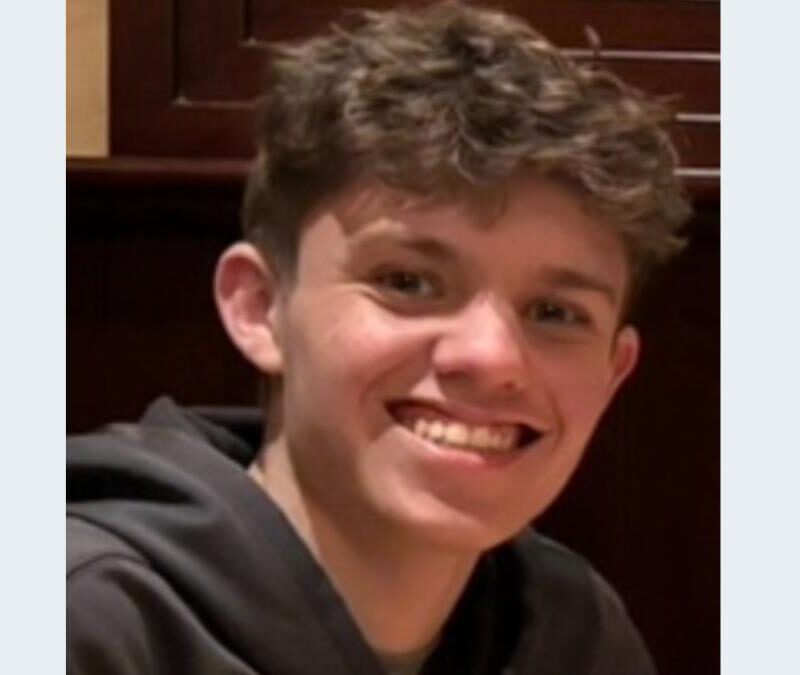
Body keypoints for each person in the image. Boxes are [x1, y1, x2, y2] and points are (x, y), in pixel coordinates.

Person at [67, 2, 690, 673]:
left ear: (613, 371)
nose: (490, 357)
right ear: (260, 306)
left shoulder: (582, 638)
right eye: (408, 281)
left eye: (555, 312)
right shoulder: (78, 623)